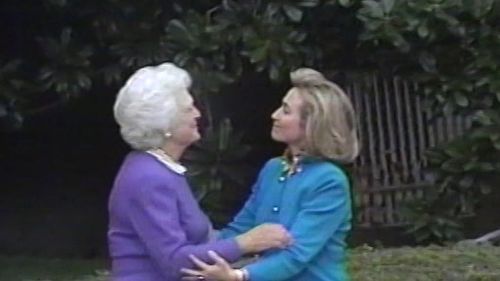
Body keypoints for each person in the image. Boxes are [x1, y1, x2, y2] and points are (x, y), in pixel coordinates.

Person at [108, 62, 291, 281]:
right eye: (188, 109)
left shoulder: (161, 167)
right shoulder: (148, 177)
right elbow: (174, 262)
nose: (197, 114)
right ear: (164, 124)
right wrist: (245, 243)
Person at [182, 68, 360, 281]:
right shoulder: (273, 169)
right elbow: (240, 229)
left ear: (312, 124)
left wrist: (239, 276)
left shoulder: (329, 181)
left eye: (285, 110)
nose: (274, 115)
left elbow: (296, 255)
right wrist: (202, 257)